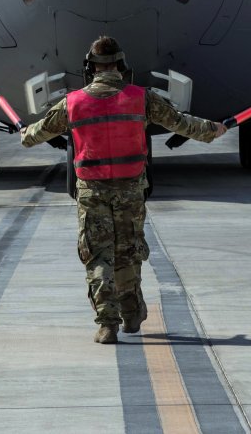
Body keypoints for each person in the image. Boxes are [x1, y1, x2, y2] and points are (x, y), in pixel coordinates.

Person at [20, 36, 228, 344]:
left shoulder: (73, 103)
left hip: (92, 192)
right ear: (121, 66)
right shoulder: (141, 98)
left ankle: (107, 324)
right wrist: (214, 130)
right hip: (130, 190)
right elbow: (182, 124)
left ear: (90, 68)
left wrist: (26, 133)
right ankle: (131, 315)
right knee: (128, 252)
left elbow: (33, 136)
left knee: (97, 256)